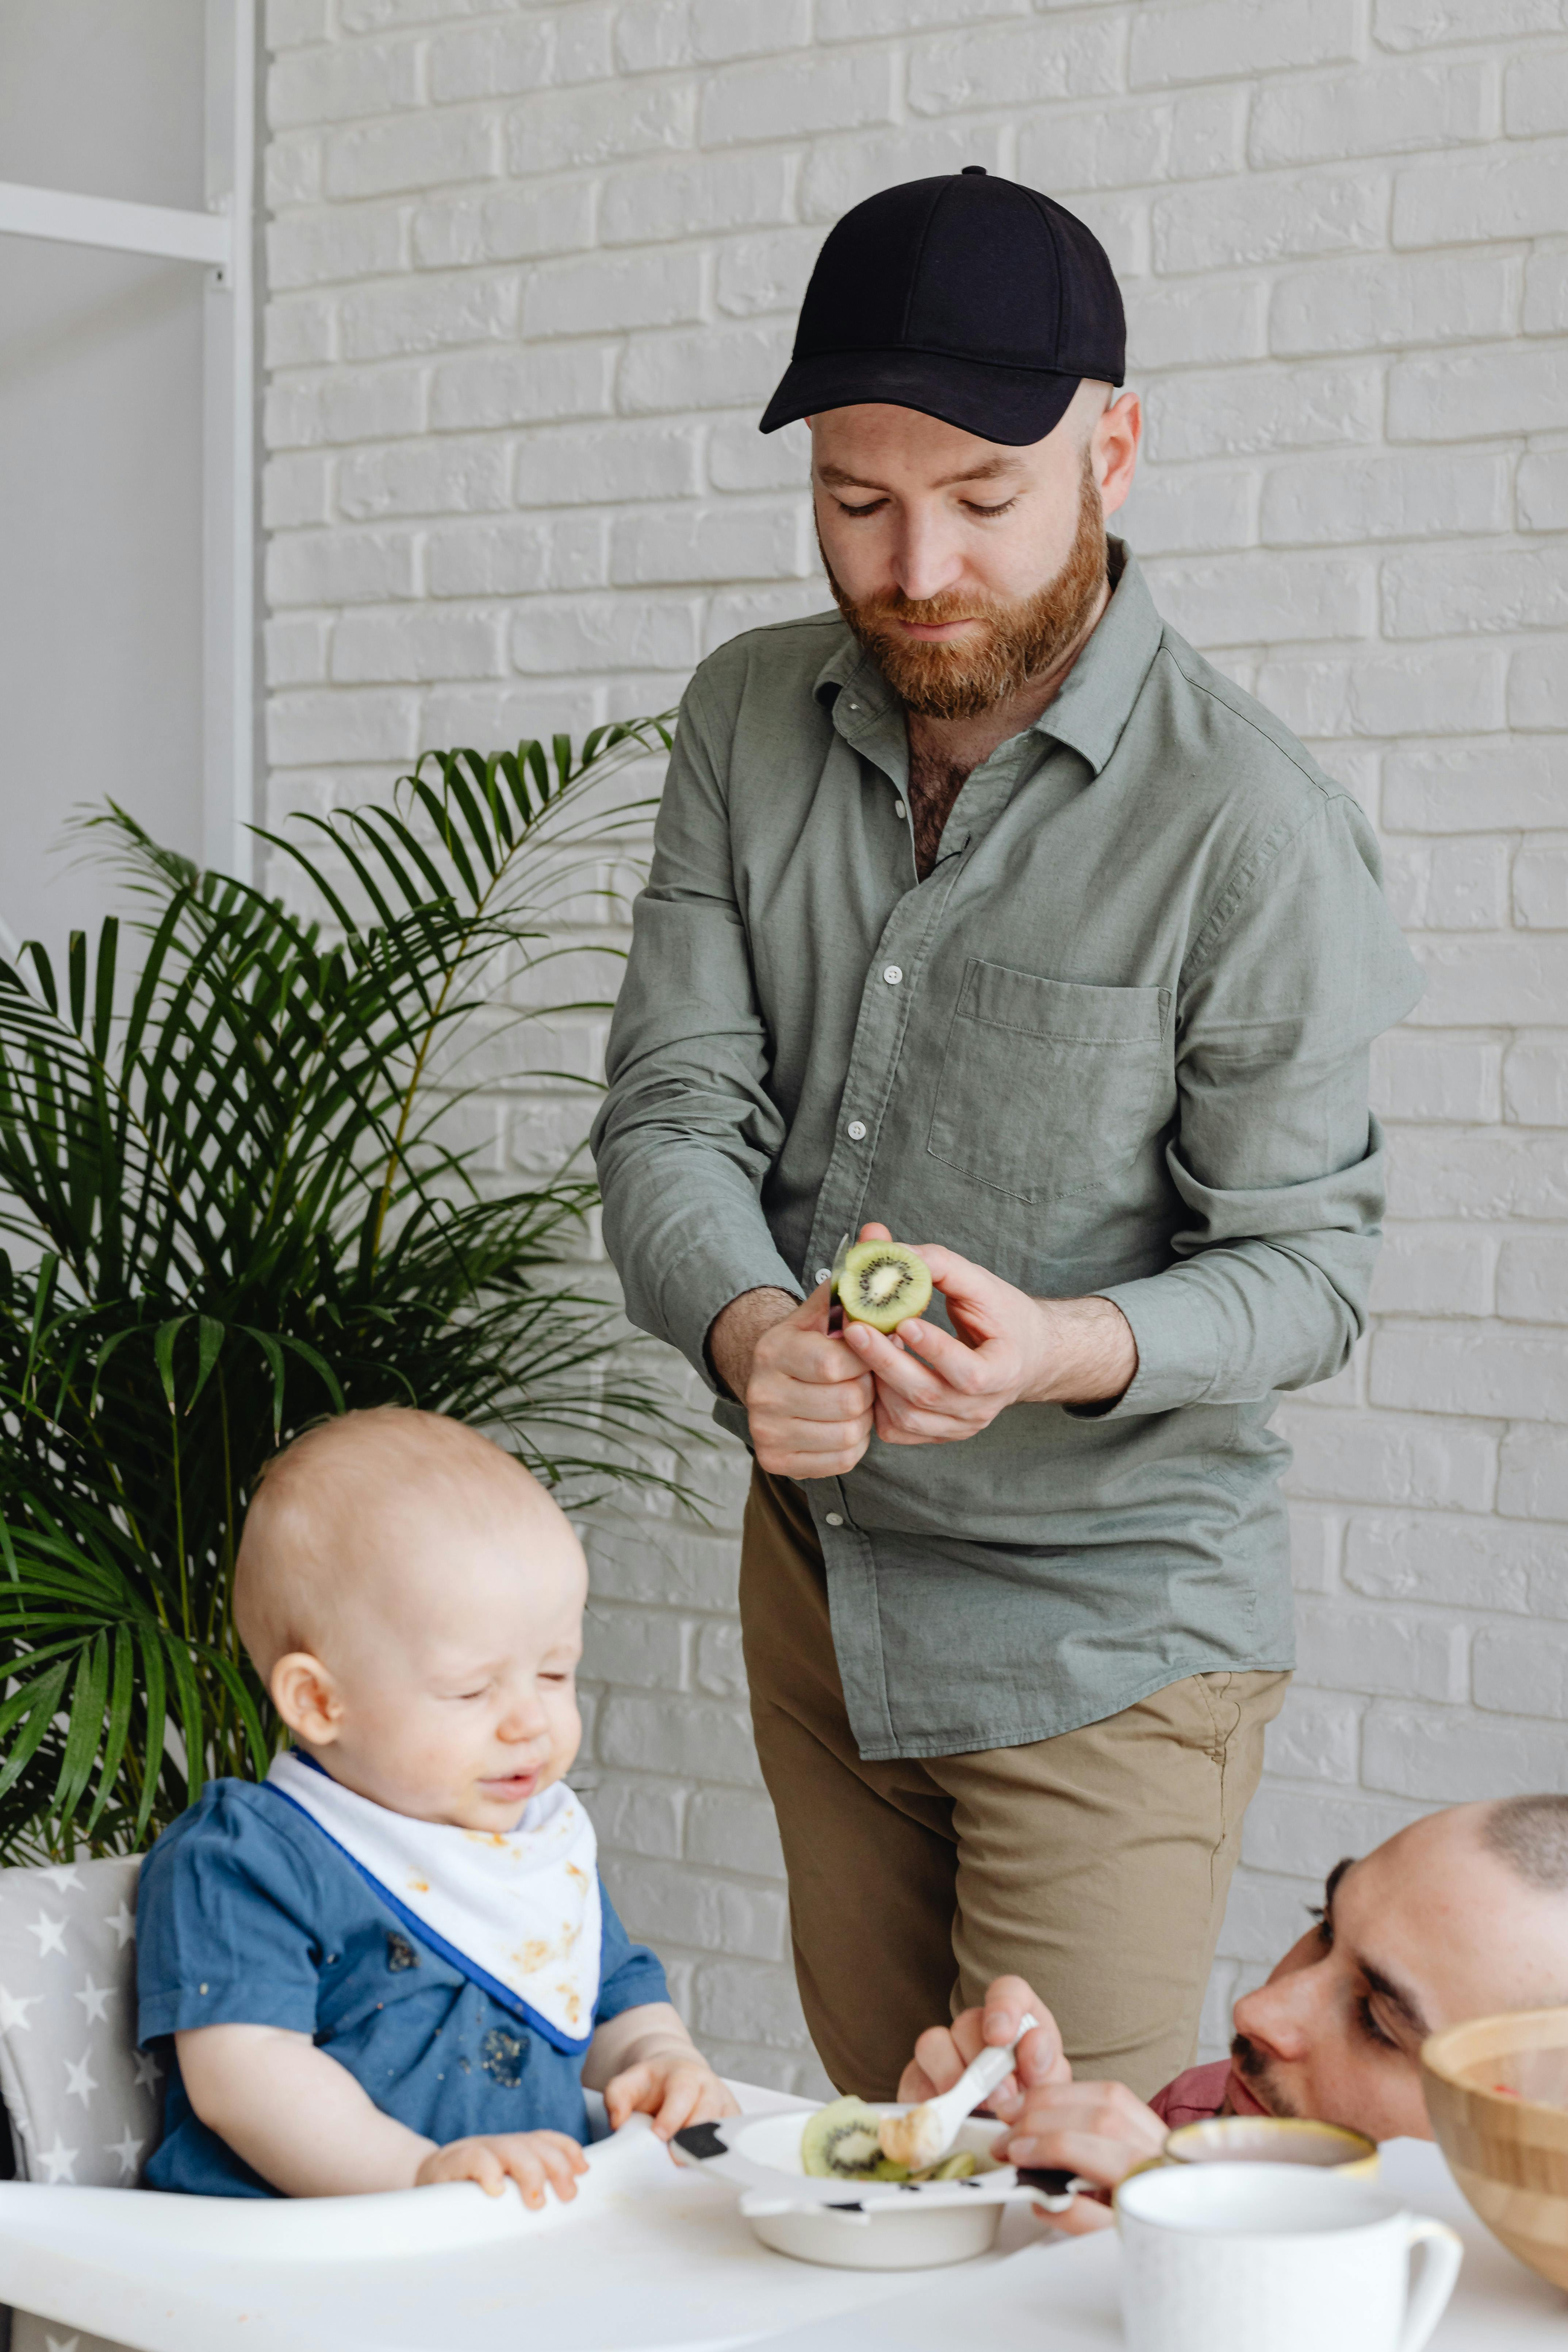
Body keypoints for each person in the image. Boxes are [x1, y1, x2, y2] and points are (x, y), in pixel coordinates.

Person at [591, 167, 1424, 2103]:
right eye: (855, 501)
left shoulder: (1253, 831)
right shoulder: (741, 717)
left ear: (1109, 449)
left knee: (1056, 2222)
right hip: (821, 1586)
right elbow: (671, 1103)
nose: (911, 569)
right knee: (888, 2176)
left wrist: (1060, 1345)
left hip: (1107, 1635)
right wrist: (743, 1332)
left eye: (979, 497)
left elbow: (1308, 1269)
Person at [136, 1408, 734, 2201]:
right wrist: (414, 2173)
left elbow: (610, 1994)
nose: (530, 1719)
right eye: (472, 1688)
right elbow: (246, 2074)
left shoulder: (531, 1843)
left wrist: (658, 2057)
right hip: (300, 2264)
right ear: (319, 1700)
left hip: (507, 2239)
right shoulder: (248, 1855)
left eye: (555, 1673)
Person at [898, 1795, 1568, 2231]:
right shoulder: (1199, 2113)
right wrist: (996, 2168)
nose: (1256, 2010)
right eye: (1324, 1928)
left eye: (1377, 2022)